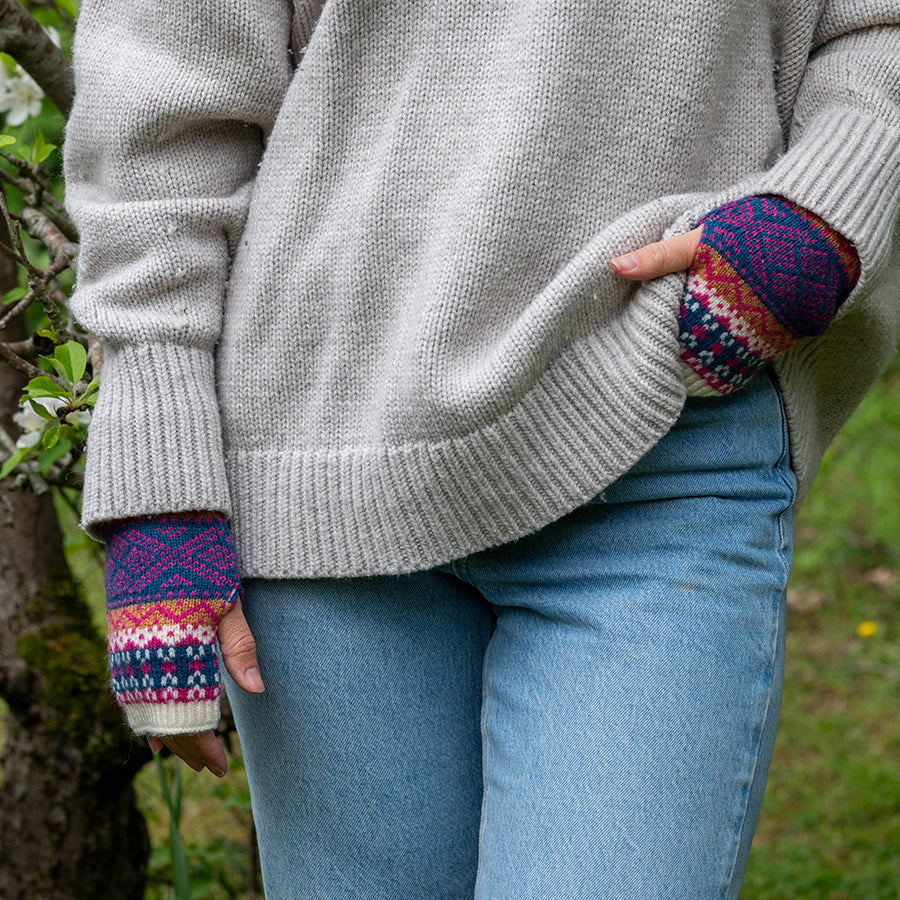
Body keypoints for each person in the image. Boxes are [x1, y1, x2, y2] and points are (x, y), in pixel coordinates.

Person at [64, 1, 900, 897]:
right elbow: (160, 96)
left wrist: (819, 214)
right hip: (324, 472)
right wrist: (161, 495)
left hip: (658, 434)